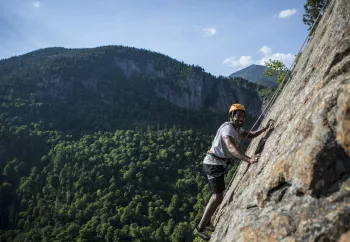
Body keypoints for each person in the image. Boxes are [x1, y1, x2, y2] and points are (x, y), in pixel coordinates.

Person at [193, 103, 273, 241]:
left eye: (242, 115)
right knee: (217, 197)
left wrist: (264, 129)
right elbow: (231, 148)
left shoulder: (237, 129)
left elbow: (250, 134)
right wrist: (249, 159)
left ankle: (206, 222)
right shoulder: (228, 129)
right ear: (231, 116)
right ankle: (199, 228)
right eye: (238, 115)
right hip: (213, 164)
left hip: (217, 164)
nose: (241, 118)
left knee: (218, 196)